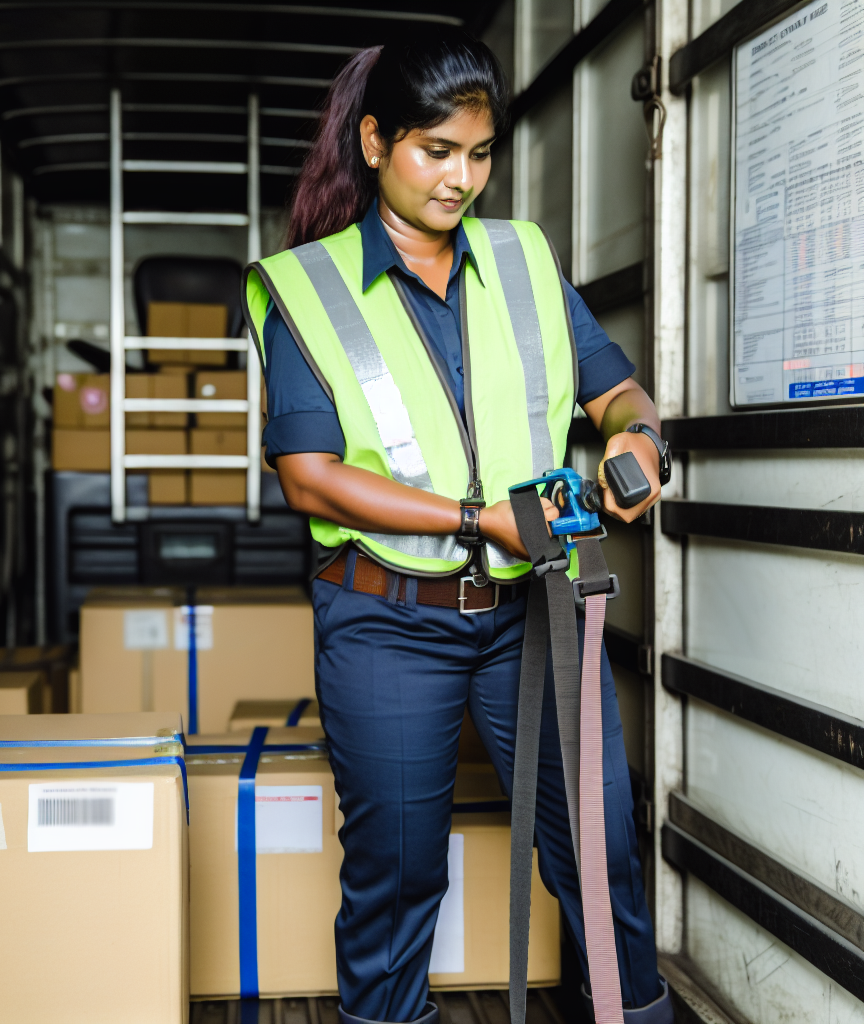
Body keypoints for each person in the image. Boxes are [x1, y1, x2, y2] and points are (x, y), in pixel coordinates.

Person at [242, 29, 673, 1024]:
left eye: (478, 155)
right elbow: (310, 480)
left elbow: (618, 395)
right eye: (436, 152)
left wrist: (636, 444)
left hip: (536, 613)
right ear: (374, 141)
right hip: (388, 621)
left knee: (601, 851)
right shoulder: (304, 289)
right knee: (395, 875)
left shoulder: (522, 261)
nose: (461, 179)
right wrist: (480, 519)